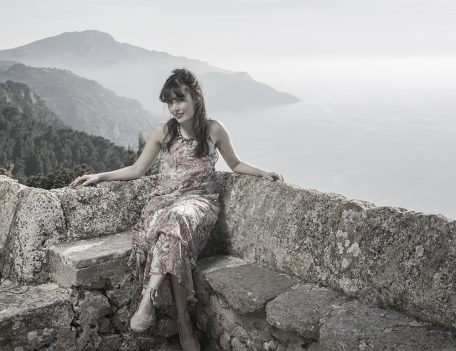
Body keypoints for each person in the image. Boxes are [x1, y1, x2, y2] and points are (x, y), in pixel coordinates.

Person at [69, 68, 284, 350]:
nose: (175, 107)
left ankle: (149, 296)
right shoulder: (163, 132)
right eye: (170, 102)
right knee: (172, 234)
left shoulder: (214, 129)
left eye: (180, 99)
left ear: (196, 96)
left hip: (200, 202)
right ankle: (184, 322)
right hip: (164, 202)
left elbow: (236, 164)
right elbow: (137, 169)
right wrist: (98, 176)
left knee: (178, 219)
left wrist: (262, 173)